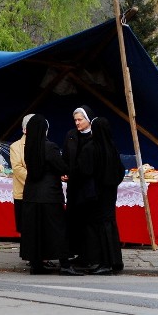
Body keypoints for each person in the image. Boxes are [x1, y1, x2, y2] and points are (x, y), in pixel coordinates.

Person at [20, 115, 83, 276]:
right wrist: (66, 172)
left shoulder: (29, 147)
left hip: (31, 194)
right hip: (49, 195)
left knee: (36, 230)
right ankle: (65, 265)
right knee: (58, 229)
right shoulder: (49, 147)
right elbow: (61, 166)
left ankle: (36, 264)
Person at [78, 117, 126, 275]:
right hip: (110, 193)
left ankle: (102, 262)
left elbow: (84, 171)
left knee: (96, 227)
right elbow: (120, 171)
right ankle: (115, 261)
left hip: (95, 195)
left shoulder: (90, 147)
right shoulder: (112, 148)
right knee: (110, 224)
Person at [61, 104, 96, 267]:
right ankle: (73, 251)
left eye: (80, 119)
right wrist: (64, 171)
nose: (77, 123)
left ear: (88, 120)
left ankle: (88, 254)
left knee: (87, 221)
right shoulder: (70, 135)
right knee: (73, 219)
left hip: (88, 186)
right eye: (75, 120)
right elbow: (66, 157)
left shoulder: (96, 136)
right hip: (74, 185)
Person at [9, 113, 35, 233]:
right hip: (23, 193)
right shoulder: (16, 147)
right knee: (25, 228)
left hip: (40, 194)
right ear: (25, 129)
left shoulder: (44, 145)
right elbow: (18, 168)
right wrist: (35, 182)